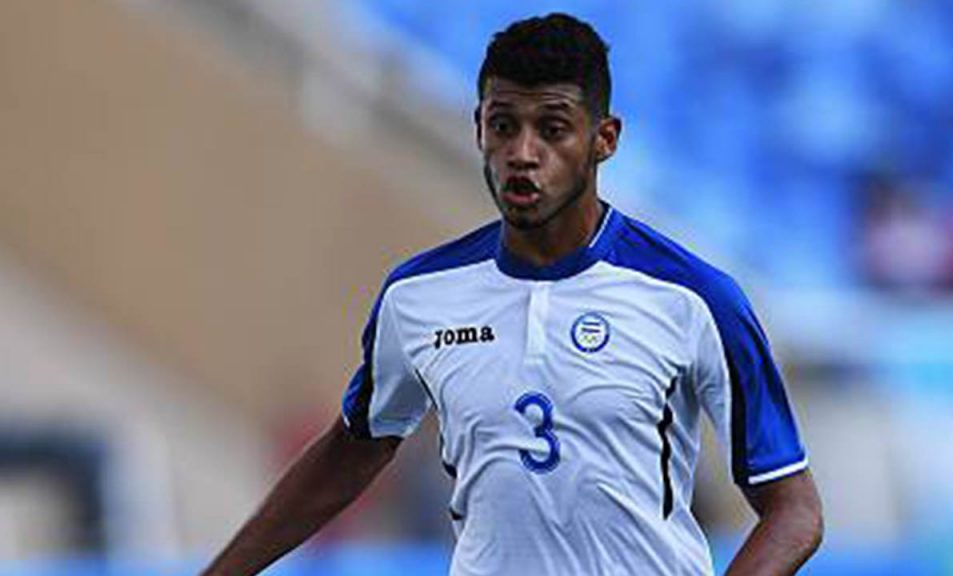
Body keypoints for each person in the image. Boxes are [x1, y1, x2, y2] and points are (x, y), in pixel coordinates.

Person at [201, 13, 823, 576]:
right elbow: (355, 449)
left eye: (553, 129)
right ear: (479, 129)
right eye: (504, 126)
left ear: (604, 138)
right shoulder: (418, 297)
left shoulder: (694, 298)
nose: (523, 154)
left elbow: (794, 510)